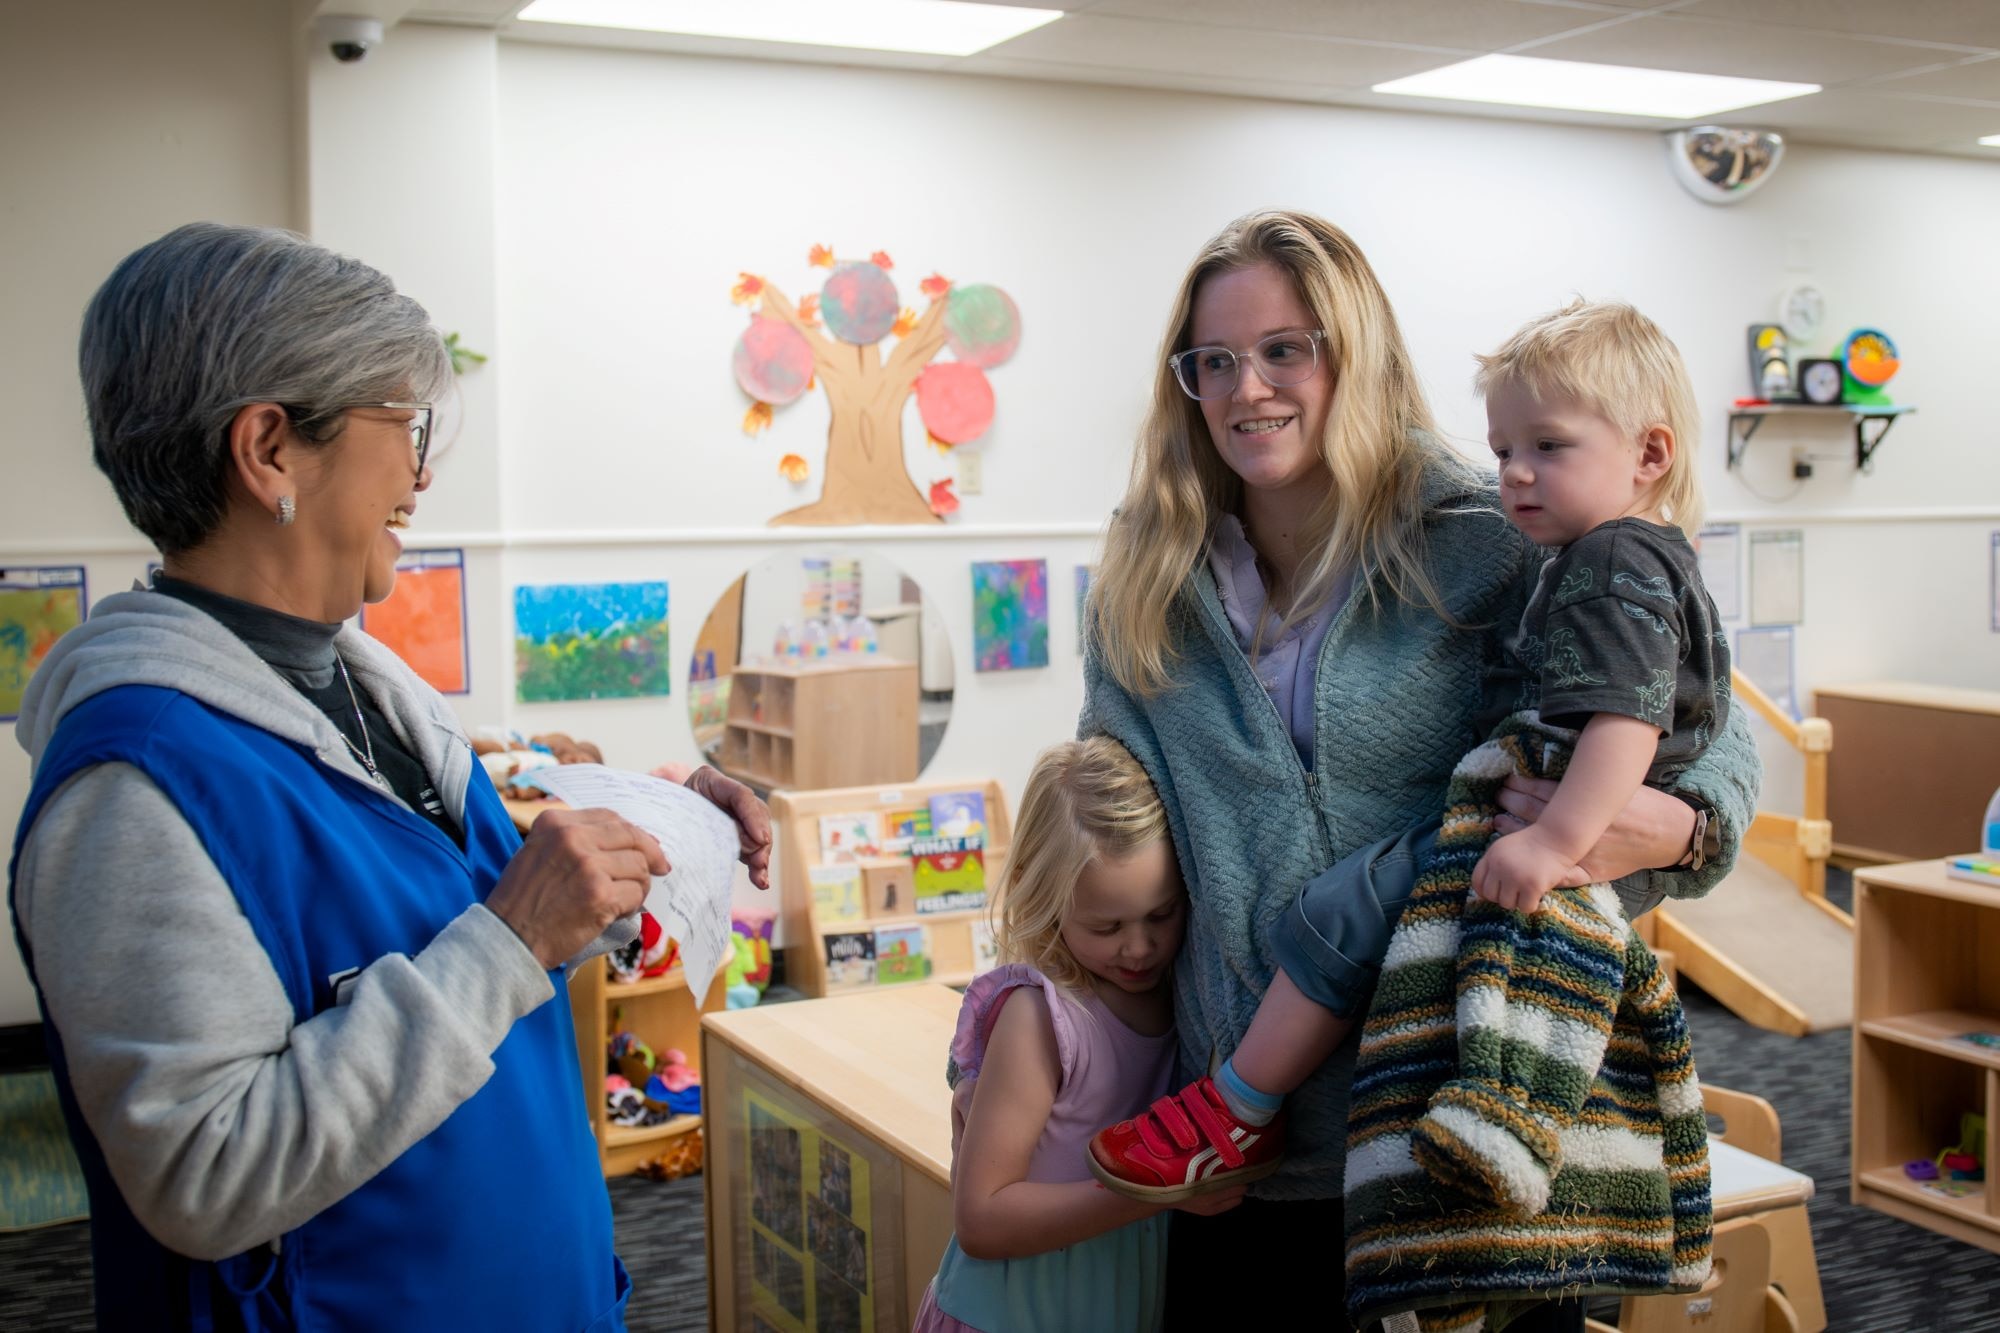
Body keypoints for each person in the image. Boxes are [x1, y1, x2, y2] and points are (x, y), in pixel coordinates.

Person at [8, 222, 772, 1332]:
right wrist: (510, 936)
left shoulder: (376, 695)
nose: (419, 478)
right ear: (270, 449)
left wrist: (658, 830)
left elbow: (449, 932)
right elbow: (206, 1174)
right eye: (402, 427)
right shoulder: (134, 787)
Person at [1075, 210, 1760, 1329]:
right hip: (1244, 1148)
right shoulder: (1145, 572)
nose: (1247, 389)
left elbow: (1708, 726)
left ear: (1357, 352)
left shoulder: (1492, 528)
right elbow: (1115, 830)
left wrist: (1679, 832)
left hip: (1452, 1119)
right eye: (1213, 361)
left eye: (1286, 348)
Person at [913, 737, 1243, 1333]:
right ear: (1044, 896)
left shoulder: (1185, 1003)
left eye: (1161, 915)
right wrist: (1156, 1193)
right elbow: (982, 1221)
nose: (1140, 948)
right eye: (1107, 925)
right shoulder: (1039, 1019)